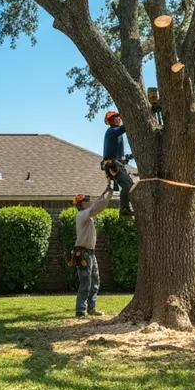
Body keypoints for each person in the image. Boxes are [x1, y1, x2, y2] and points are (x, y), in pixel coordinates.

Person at [73, 187, 114, 317]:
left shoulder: (88, 215)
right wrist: (107, 194)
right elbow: (97, 207)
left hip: (90, 253)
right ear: (81, 204)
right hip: (83, 253)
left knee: (95, 281)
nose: (89, 201)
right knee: (86, 282)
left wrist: (107, 193)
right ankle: (80, 310)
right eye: (86, 200)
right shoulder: (82, 215)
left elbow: (97, 206)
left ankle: (91, 308)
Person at [101, 110, 134, 216]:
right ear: (110, 121)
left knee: (131, 185)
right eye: (115, 118)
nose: (118, 119)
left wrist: (127, 157)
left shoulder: (117, 133)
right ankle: (124, 209)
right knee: (127, 186)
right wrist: (133, 116)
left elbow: (118, 153)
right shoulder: (111, 131)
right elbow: (125, 127)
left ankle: (126, 207)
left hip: (117, 163)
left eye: (118, 117)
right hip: (113, 165)